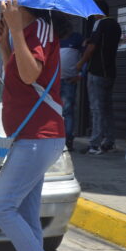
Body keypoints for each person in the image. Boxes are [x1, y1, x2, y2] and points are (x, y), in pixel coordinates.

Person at [0, 0, 70, 251]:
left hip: (39, 137)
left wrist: (16, 33)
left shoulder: (41, 29)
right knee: (25, 214)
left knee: (0, 207)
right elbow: (16, 75)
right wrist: (6, 42)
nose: (2, 5)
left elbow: (30, 73)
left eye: (7, 2)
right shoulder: (24, 32)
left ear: (23, 6)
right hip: (26, 137)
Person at [75, 0, 122, 155]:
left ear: (98, 11)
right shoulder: (116, 25)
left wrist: (80, 63)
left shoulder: (100, 24)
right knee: (107, 108)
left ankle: (94, 145)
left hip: (96, 72)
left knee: (96, 109)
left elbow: (92, 47)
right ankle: (109, 141)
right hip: (110, 73)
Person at [55, 16, 83, 152]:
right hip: (54, 81)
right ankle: (57, 138)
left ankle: (68, 139)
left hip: (68, 81)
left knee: (67, 110)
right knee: (56, 110)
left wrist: (80, 75)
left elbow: (86, 57)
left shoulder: (77, 39)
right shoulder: (55, 38)